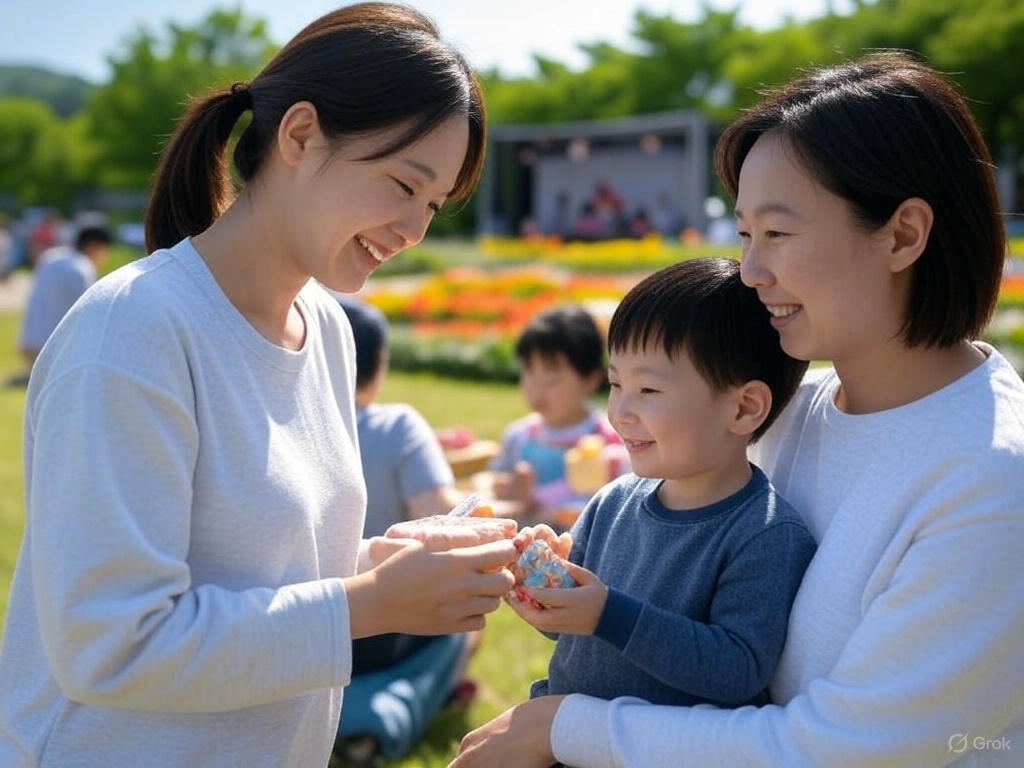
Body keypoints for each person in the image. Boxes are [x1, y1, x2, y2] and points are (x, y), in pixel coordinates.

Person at [451, 51, 1024, 768]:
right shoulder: (782, 412)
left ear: (903, 234)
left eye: (778, 234)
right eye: (744, 235)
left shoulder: (993, 482)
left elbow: (845, 750)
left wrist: (561, 726)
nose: (750, 272)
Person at [0, 5, 520, 768]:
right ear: (301, 135)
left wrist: (387, 562)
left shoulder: (328, 328)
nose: (414, 229)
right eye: (403, 184)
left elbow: (260, 577)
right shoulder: (134, 329)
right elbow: (111, 646)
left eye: (433, 205)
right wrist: (370, 603)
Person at [508, 257, 815, 714]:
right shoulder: (613, 501)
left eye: (648, 391)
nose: (620, 413)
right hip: (560, 735)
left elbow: (737, 669)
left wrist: (608, 614)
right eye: (615, 384)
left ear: (744, 407)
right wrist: (547, 584)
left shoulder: (765, 535)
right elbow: (571, 628)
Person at [334, 295, 473, 765]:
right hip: (380, 617)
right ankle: (378, 717)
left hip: (293, 621)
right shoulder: (397, 426)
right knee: (462, 622)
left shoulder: (279, 426)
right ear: (379, 365)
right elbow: (442, 520)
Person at [484, 305, 628, 527]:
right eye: (529, 374)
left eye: (552, 380)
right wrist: (505, 488)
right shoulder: (518, 438)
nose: (536, 390)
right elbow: (493, 484)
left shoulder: (611, 438)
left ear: (590, 379)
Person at [17, 223, 113, 370]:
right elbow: (91, 312)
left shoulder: (51, 256)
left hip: (28, 341)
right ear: (93, 246)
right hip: (54, 349)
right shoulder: (81, 268)